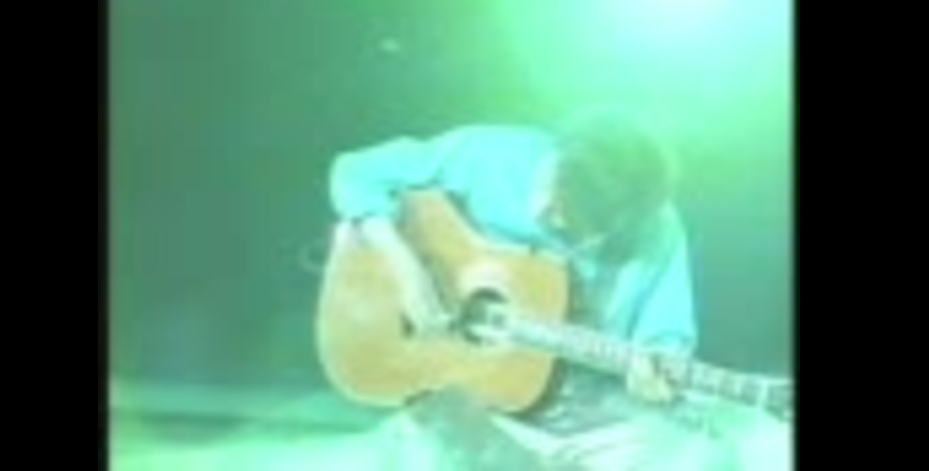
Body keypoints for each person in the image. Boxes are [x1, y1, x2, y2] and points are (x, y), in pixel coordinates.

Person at [325, 110, 791, 470]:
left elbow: (665, 339)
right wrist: (405, 266)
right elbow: (354, 171)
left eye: (565, 218)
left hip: (591, 405)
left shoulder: (656, 230)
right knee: (428, 448)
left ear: (615, 223)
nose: (542, 210)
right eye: (550, 185)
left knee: (702, 458)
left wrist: (654, 374)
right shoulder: (486, 153)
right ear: (557, 152)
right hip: (476, 396)